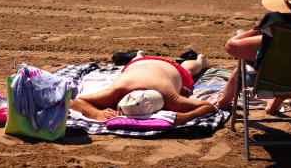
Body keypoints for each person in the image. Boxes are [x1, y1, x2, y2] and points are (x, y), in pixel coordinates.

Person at [70, 54, 217, 125]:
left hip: (155, 66)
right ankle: (199, 60)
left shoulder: (170, 99)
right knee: (188, 68)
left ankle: (200, 61)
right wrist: (96, 113)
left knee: (188, 70)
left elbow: (209, 107)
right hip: (141, 65)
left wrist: (97, 113)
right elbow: (76, 102)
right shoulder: (118, 92)